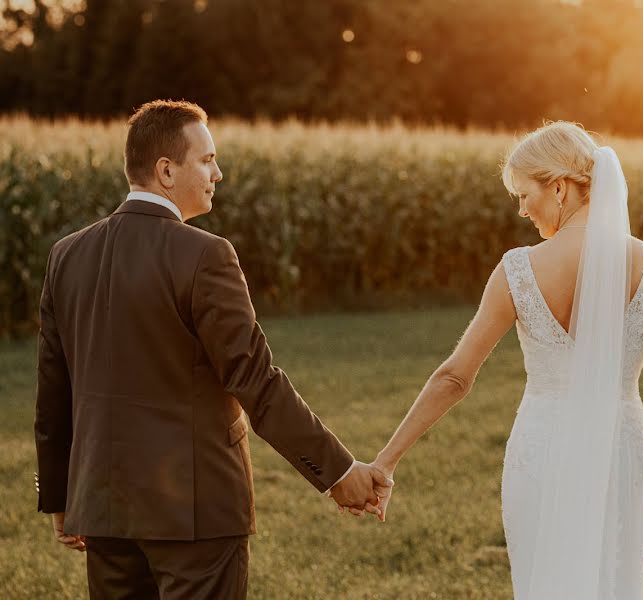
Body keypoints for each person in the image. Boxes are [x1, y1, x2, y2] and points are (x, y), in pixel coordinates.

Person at [33, 99, 391, 600]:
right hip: (196, 514)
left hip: (103, 508)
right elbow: (255, 380)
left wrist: (59, 498)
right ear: (165, 170)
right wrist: (339, 472)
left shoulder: (65, 255)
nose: (217, 173)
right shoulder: (205, 255)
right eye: (206, 160)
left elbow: (53, 396)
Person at [368, 122, 643, 598]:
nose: (522, 210)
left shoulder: (518, 270)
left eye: (525, 195)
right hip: (622, 450)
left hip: (541, 448)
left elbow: (454, 377)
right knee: (615, 582)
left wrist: (386, 462)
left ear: (560, 187)